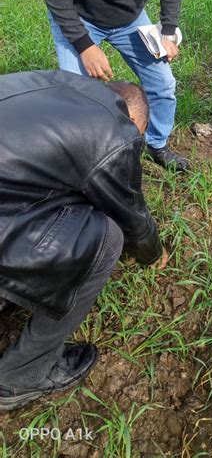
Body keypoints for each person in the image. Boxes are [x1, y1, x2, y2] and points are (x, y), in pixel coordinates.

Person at [0, 70, 168, 412]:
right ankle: (20, 378)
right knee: (105, 238)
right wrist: (153, 253)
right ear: (137, 123)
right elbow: (130, 216)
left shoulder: (58, 83)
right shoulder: (114, 132)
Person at [41, 0, 195, 172]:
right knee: (76, 94)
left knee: (163, 84)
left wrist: (168, 31)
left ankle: (156, 144)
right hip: (81, 15)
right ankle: (86, 159)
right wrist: (85, 45)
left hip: (129, 17)